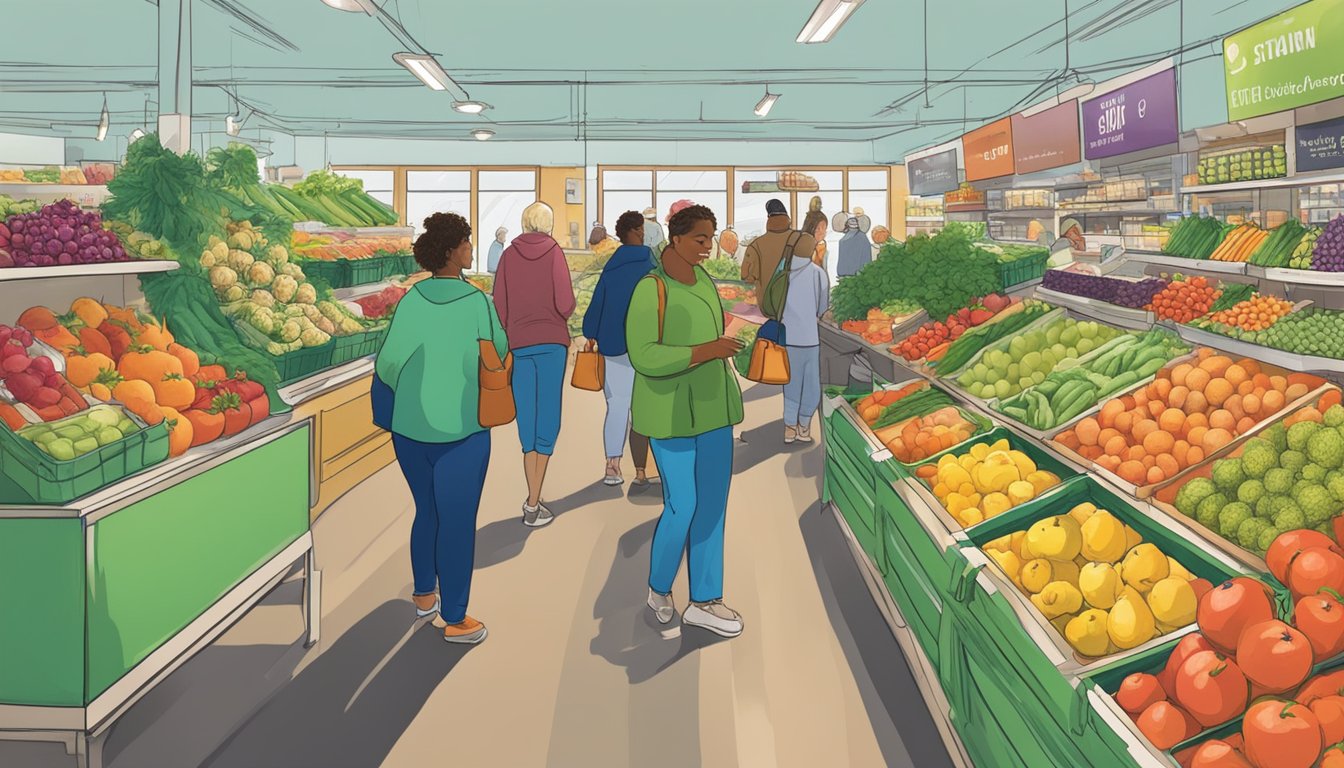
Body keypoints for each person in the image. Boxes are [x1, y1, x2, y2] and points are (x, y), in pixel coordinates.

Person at [374, 212, 504, 644]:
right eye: (467, 243)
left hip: (410, 430)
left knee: (426, 510)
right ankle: (456, 617)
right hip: (463, 429)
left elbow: (388, 364)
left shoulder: (411, 300)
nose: (471, 248)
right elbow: (498, 353)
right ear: (451, 251)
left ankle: (424, 596)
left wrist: (419, 392)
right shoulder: (477, 303)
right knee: (458, 520)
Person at [626, 204, 747, 638]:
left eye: (710, 238)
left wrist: (736, 337)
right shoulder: (651, 289)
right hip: (671, 413)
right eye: (699, 239)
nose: (707, 247)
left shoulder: (706, 282)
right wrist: (702, 352)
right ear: (675, 239)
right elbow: (643, 354)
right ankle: (659, 588)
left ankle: (705, 600)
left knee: (713, 505)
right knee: (683, 504)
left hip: (714, 409)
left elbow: (714, 333)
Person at [493, 202, 576, 527]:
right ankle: (533, 499)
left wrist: (514, 326)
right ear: (549, 224)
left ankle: (533, 497)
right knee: (549, 417)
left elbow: (499, 304)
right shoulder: (555, 253)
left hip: (520, 344)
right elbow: (566, 303)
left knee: (526, 416)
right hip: (552, 343)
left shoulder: (508, 256)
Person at [582, 211, 658, 489]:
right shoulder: (652, 265)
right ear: (638, 232)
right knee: (647, 406)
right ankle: (645, 468)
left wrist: (591, 334)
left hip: (613, 346)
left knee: (617, 406)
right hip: (649, 346)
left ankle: (613, 464)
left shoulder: (611, 267)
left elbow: (596, 308)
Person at [780, 235, 831, 443]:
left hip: (787, 336)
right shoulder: (818, 274)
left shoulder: (782, 273)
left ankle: (789, 427)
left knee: (790, 382)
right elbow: (822, 307)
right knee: (811, 384)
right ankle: (804, 426)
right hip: (810, 338)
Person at [740, 199, 816, 297]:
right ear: (787, 217)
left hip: (769, 306)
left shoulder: (755, 246)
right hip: (798, 300)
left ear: (768, 218)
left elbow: (745, 276)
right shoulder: (803, 239)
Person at [835, 210, 873, 278]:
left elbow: (841, 267)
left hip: (846, 275)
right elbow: (867, 261)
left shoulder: (843, 241)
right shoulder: (863, 238)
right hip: (861, 276)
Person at [802, 198, 828, 271]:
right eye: (818, 229)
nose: (822, 233)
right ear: (810, 229)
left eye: (824, 229)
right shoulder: (803, 247)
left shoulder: (822, 247)